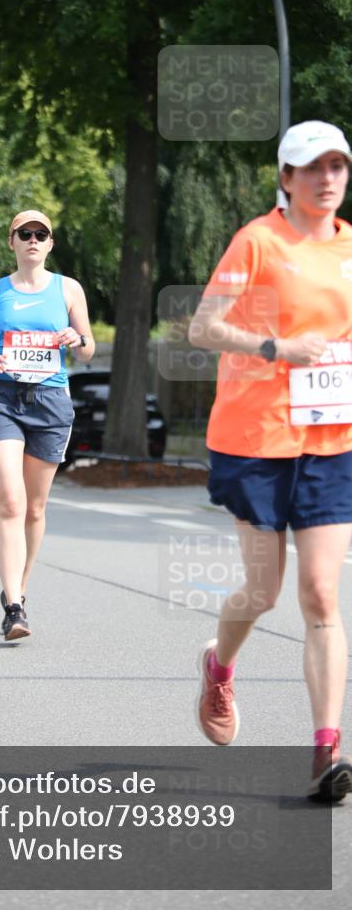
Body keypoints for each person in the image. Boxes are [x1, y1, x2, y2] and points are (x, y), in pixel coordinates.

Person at [188, 121, 352, 801]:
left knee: (320, 594)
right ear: (285, 178)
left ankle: (324, 751)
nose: (326, 179)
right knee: (261, 593)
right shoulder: (258, 241)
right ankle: (218, 668)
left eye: (337, 166)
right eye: (311, 168)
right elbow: (203, 327)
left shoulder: (351, 249)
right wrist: (274, 348)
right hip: (255, 440)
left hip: (330, 441)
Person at [0, 209, 95, 641]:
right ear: (12, 242)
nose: (33, 239)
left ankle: (17, 591)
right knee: (10, 501)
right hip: (1, 399)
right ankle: (15, 607)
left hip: (50, 401)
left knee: (36, 508)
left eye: (41, 234)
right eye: (24, 233)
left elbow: (88, 348)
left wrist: (76, 339)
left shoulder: (69, 289)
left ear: (50, 244)